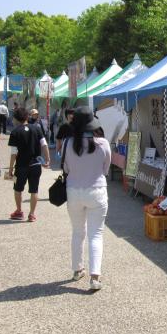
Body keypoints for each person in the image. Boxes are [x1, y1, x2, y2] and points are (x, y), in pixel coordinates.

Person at [63, 107, 111, 291]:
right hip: (97, 191)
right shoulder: (103, 143)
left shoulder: (68, 143)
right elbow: (106, 169)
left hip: (73, 191)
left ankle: (77, 269)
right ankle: (95, 277)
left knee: (77, 232)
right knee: (96, 234)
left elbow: (66, 168)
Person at [6, 107, 50, 222]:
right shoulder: (37, 129)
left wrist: (10, 169)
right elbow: (44, 145)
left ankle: (19, 211)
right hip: (35, 165)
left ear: (16, 119)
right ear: (27, 117)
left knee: (17, 189)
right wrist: (47, 159)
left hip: (21, 166)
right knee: (34, 190)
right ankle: (32, 214)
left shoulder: (15, 132)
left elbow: (14, 153)